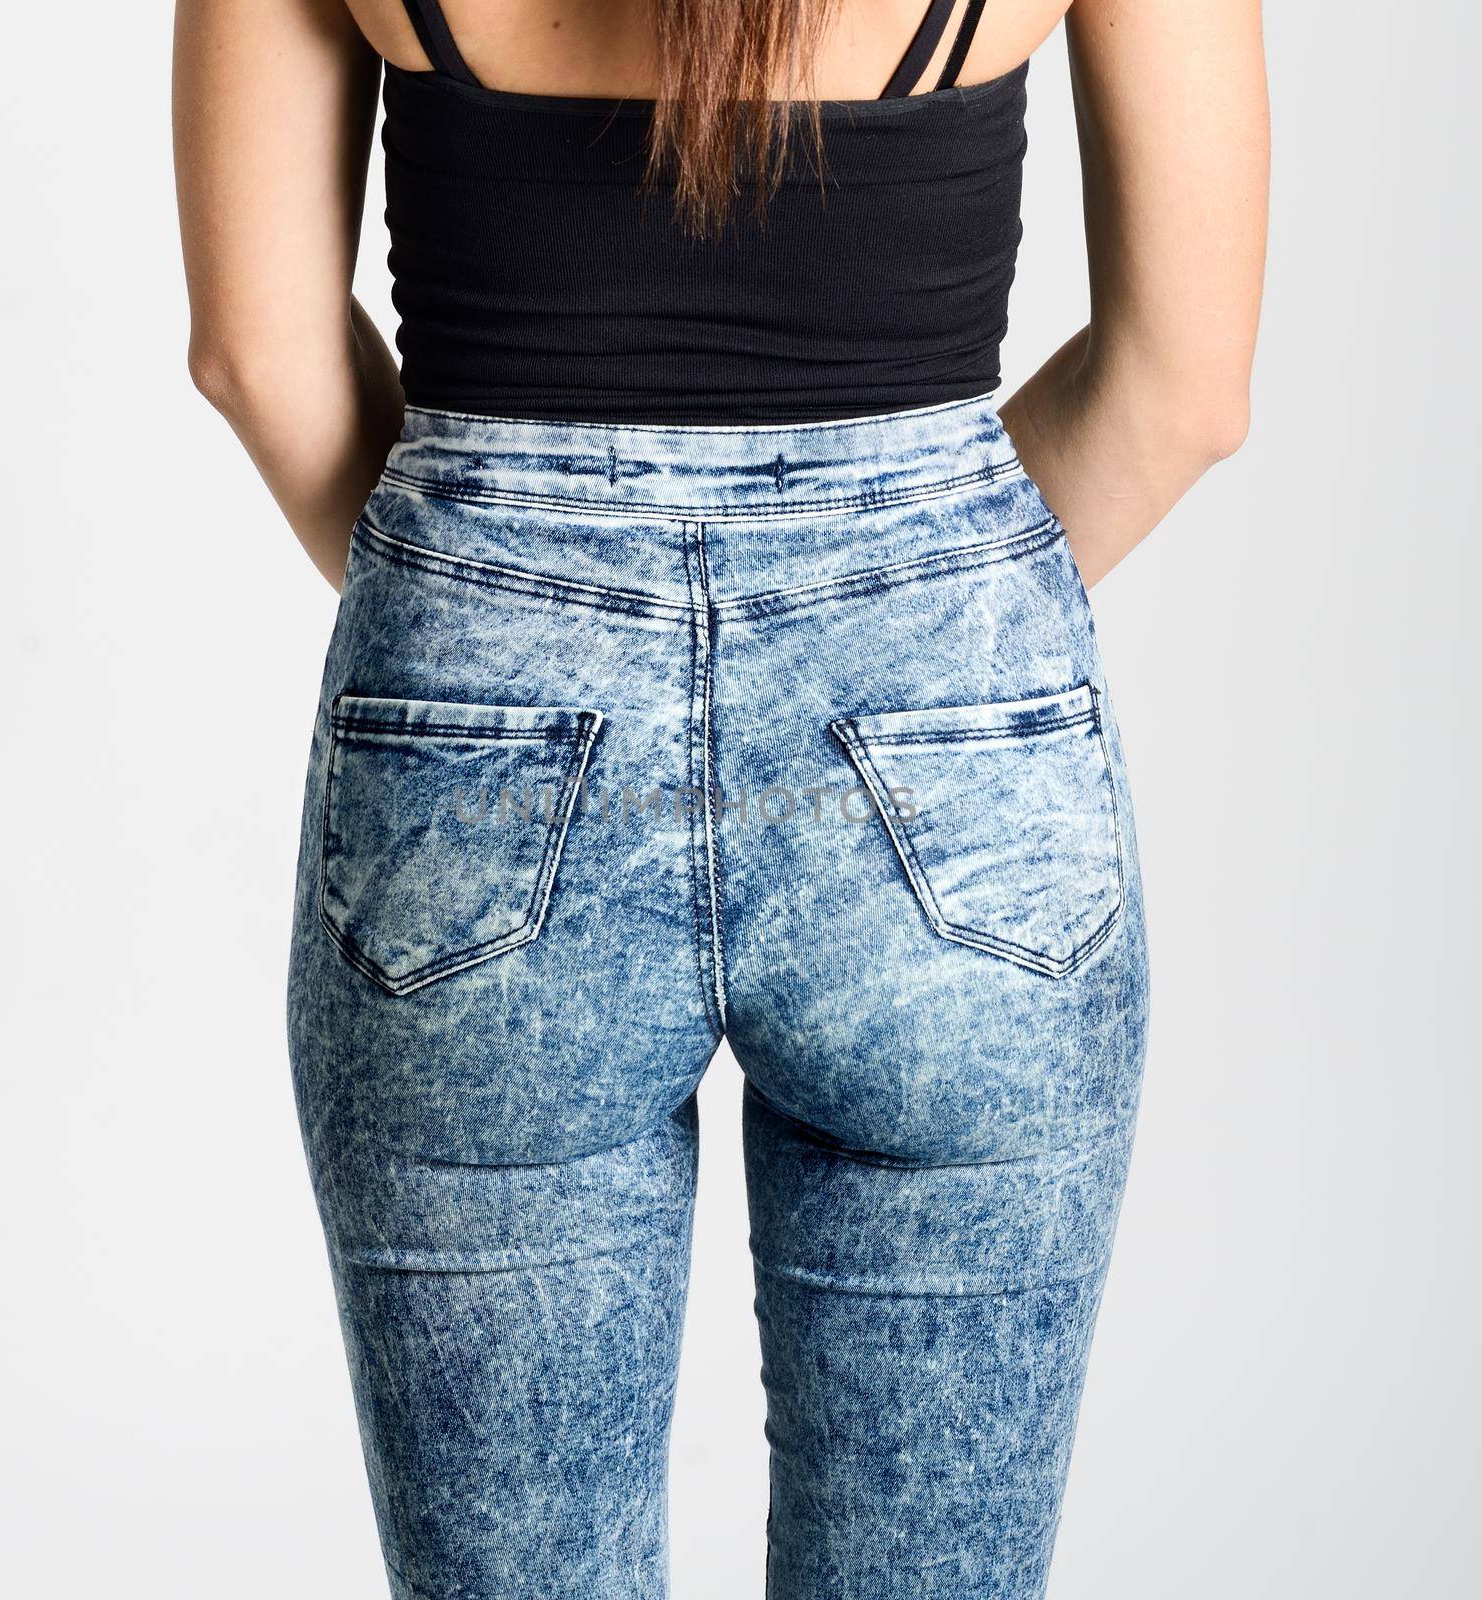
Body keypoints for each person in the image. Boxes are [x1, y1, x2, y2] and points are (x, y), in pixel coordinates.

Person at [173, 0, 1267, 1592]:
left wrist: (498, 638)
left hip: (481, 739)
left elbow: (254, 351)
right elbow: (1187, 386)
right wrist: (927, 636)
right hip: (948, 773)